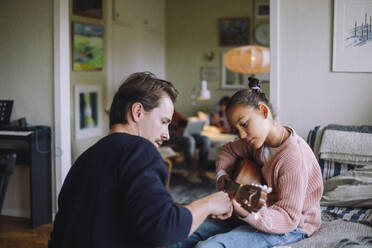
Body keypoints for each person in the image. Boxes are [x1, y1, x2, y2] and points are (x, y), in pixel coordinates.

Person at [48, 72, 233, 248]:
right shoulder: (139, 150)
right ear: (137, 112)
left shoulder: (84, 159)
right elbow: (163, 228)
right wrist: (209, 204)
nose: (167, 135)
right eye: (163, 122)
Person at [169, 79, 324, 248]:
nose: (241, 135)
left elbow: (288, 217)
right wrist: (222, 176)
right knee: (178, 235)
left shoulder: (293, 158)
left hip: (291, 226)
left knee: (208, 247)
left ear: (264, 112)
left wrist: (246, 212)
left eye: (244, 124)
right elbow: (227, 150)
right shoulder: (258, 142)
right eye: (236, 129)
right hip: (257, 212)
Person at [164, 110, 211, 183]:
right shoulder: (160, 110)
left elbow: (183, 120)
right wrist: (177, 132)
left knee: (205, 139)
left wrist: (190, 124)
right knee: (190, 140)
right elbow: (160, 128)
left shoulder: (172, 111)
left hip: (179, 133)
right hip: (169, 135)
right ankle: (190, 172)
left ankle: (202, 172)